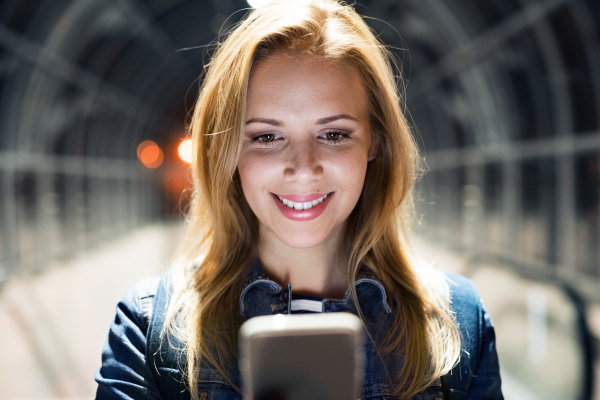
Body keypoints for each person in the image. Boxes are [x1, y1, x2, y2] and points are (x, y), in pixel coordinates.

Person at [95, 0, 503, 399]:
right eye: (267, 137)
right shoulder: (147, 331)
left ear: (375, 142)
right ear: (229, 151)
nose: (304, 168)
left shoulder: (460, 323)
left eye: (333, 134)